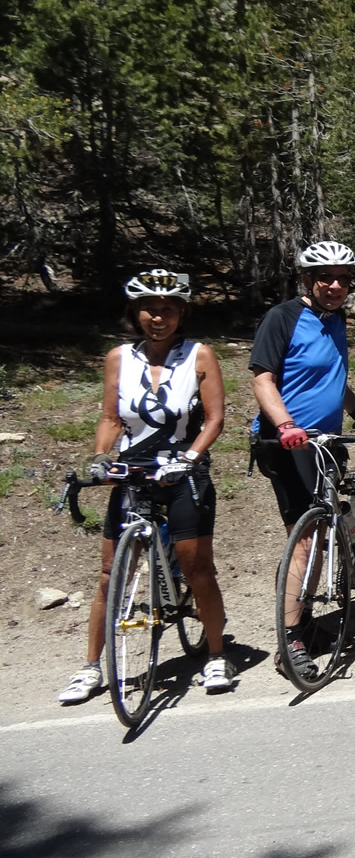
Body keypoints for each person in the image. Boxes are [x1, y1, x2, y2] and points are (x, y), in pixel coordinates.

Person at [59, 270, 233, 703]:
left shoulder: (199, 355)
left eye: (168, 309)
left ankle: (216, 654)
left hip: (184, 470)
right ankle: (91, 667)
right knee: (109, 574)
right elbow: (110, 418)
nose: (158, 317)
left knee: (197, 568)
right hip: (134, 471)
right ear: (134, 313)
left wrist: (190, 459)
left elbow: (214, 419)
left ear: (181, 313)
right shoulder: (119, 357)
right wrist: (101, 457)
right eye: (149, 309)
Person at [249, 241, 355, 681]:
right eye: (326, 277)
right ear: (308, 280)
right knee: (306, 539)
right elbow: (263, 380)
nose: (335, 286)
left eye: (344, 279)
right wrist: (286, 424)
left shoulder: (335, 319)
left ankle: (303, 621)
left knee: (321, 532)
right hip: (286, 443)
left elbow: (332, 378)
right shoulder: (282, 317)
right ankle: (289, 641)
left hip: (326, 442)